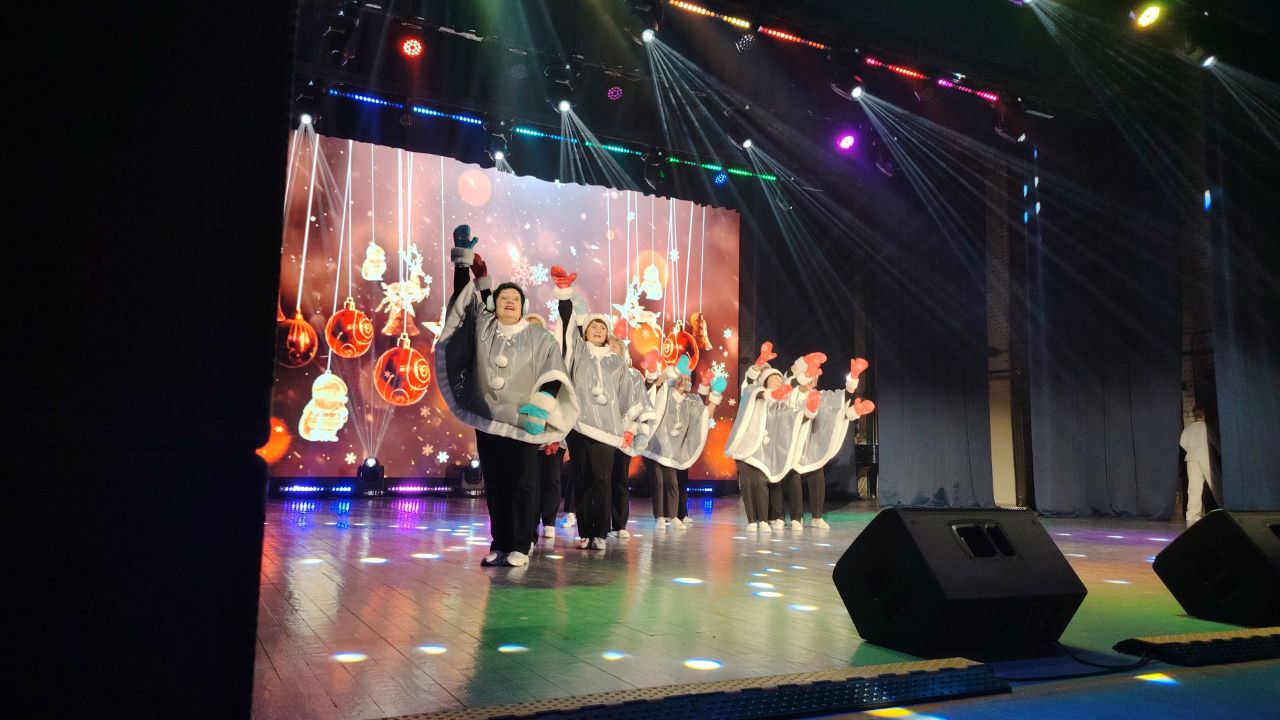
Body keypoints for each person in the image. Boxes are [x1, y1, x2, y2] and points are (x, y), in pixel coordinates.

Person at [434, 226, 580, 567]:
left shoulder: (539, 337)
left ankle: (520, 545)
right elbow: (462, 306)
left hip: (523, 421)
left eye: (515, 298)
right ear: (495, 305)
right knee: (497, 484)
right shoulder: (484, 327)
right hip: (489, 419)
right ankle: (500, 544)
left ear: (522, 305)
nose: (509, 302)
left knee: (523, 484)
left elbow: (555, 373)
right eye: (503, 298)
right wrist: (462, 265)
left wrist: (541, 408)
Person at [553, 265, 654, 550]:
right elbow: (567, 328)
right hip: (579, 425)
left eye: (602, 328)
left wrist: (631, 427)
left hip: (608, 429)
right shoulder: (578, 352)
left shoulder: (617, 362)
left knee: (602, 480)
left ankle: (600, 532)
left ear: (608, 334)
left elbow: (628, 394)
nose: (598, 330)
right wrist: (565, 296)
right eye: (593, 327)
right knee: (582, 480)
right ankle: (586, 533)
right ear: (586, 332)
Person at [790, 357, 876, 529]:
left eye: (815, 379)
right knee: (794, 479)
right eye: (809, 377)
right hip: (793, 444)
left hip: (813, 445)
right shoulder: (792, 395)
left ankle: (817, 517)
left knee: (817, 476)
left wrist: (853, 378)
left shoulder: (821, 396)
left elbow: (841, 400)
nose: (812, 381)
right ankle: (796, 518)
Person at [642, 354, 725, 529]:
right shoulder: (665, 392)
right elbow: (656, 384)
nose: (683, 381)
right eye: (680, 377)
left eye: (687, 379)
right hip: (655, 445)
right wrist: (671, 371)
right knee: (658, 482)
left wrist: (715, 395)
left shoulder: (691, 400)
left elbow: (705, 415)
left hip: (673, 450)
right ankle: (660, 517)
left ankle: (673, 516)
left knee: (672, 482)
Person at [1180, 406, 1216, 525]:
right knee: (1214, 486)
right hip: (1205, 458)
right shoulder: (1207, 427)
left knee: (1194, 488)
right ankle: (1221, 510)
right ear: (1204, 415)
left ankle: (1192, 514)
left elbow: (1183, 443)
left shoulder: (1188, 429)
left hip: (1192, 459)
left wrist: (1192, 450)